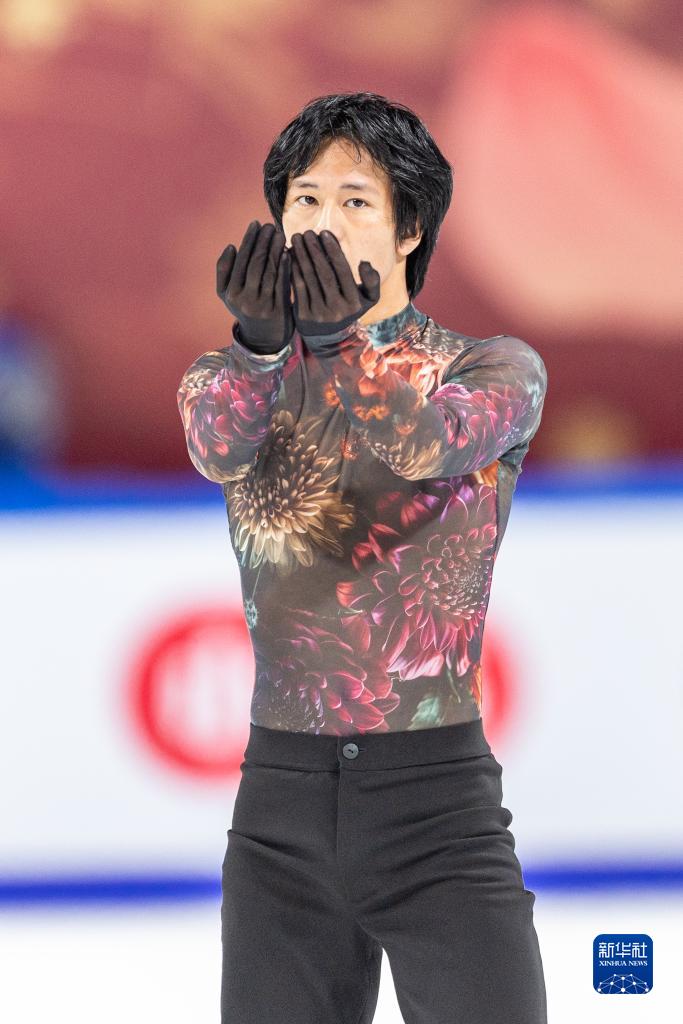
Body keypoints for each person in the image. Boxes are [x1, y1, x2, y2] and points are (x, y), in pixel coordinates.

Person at [177, 92, 548, 1024]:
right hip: (281, 812)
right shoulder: (230, 380)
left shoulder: (490, 369)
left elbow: (424, 445)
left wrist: (342, 344)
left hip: (439, 811)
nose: (322, 221)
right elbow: (217, 448)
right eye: (304, 199)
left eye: (353, 200)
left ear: (408, 228)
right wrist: (258, 351)